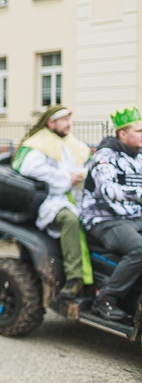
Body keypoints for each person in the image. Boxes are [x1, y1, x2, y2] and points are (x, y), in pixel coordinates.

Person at [12, 106, 91, 299]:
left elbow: (84, 164)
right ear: (51, 123)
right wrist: (65, 177)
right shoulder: (40, 143)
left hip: (77, 196)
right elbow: (30, 168)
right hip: (52, 199)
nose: (68, 124)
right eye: (63, 120)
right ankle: (74, 277)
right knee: (70, 220)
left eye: (69, 119)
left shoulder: (70, 142)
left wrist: (81, 174)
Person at [80, 106, 142, 321]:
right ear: (122, 134)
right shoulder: (105, 157)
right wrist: (139, 194)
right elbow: (108, 189)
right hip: (104, 218)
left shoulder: (138, 157)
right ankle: (106, 298)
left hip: (132, 215)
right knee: (140, 249)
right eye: (139, 131)